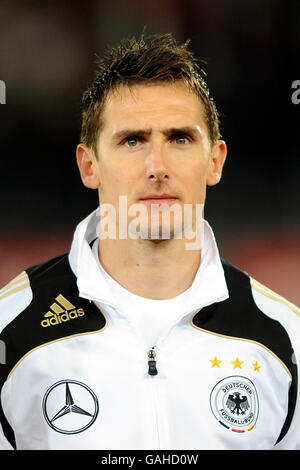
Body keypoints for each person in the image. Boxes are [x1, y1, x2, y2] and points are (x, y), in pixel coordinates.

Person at [0, 32, 299, 451]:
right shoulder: (10, 330)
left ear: (215, 161)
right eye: (132, 140)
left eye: (179, 138)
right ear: (90, 166)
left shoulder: (287, 339)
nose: (157, 166)